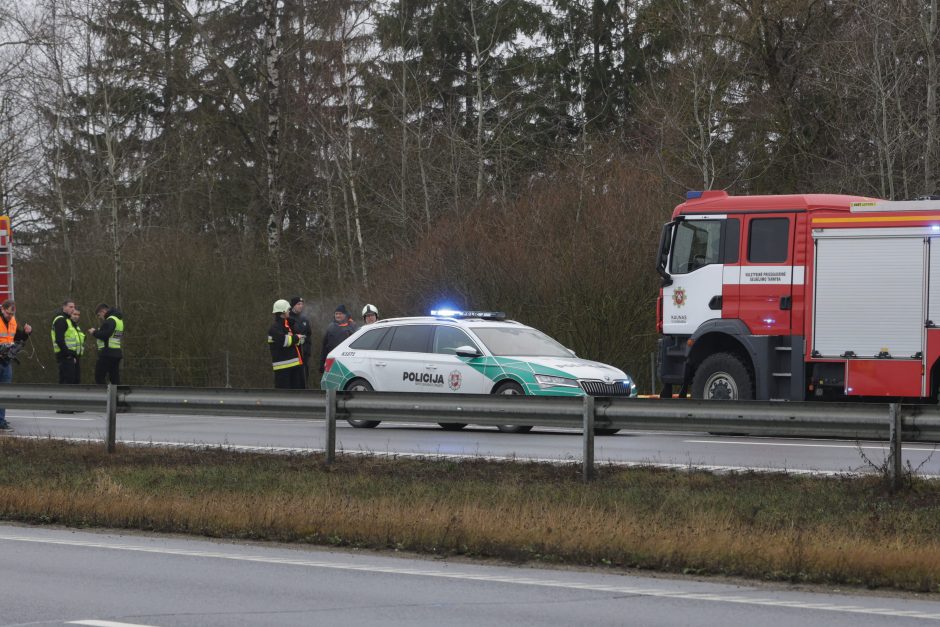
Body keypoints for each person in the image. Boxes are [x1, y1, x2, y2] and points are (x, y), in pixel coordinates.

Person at [0, 299, 32, 430]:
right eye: (8, 313)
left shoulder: (13, 322)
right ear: (2, 309)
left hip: (6, 361)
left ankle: (1, 421)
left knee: (4, 393)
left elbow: (18, 338)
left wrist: (26, 333)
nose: (10, 316)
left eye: (12, 314)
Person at [269, 299, 305, 389]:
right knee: (285, 396)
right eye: (288, 309)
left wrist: (298, 338)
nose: (289, 311)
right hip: (282, 370)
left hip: (294, 366)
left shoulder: (288, 325)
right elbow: (284, 341)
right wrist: (296, 338)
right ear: (283, 311)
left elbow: (293, 339)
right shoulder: (274, 328)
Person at [89, 303, 124, 385]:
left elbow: (105, 335)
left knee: (99, 376)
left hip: (107, 353)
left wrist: (94, 332)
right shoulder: (119, 320)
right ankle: (116, 396)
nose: (100, 318)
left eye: (99, 315)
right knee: (114, 378)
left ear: (103, 311)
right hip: (116, 353)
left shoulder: (110, 320)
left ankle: (104, 396)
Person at [319, 304, 358, 375]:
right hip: (333, 360)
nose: (338, 316)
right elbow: (324, 347)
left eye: (340, 314)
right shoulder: (330, 327)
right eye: (336, 314)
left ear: (345, 315)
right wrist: (322, 364)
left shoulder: (352, 326)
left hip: (349, 361)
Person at [51, 299, 79, 385]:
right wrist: (68, 355)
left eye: (74, 307)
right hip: (65, 356)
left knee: (71, 381)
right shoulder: (61, 320)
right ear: (64, 307)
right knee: (67, 382)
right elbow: (59, 339)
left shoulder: (68, 320)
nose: (73, 309)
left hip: (70, 356)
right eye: (70, 307)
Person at [288, 296, 312, 385]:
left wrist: (308, 351)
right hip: (293, 356)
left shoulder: (304, 319)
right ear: (293, 305)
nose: (301, 306)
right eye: (298, 304)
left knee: (304, 378)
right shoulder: (288, 318)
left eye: (302, 304)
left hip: (304, 355)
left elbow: (309, 335)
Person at [70, 308, 87, 383]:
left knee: (77, 381)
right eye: (74, 314)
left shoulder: (77, 327)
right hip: (70, 357)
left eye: (78, 315)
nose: (76, 316)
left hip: (77, 357)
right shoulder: (67, 326)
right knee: (70, 381)